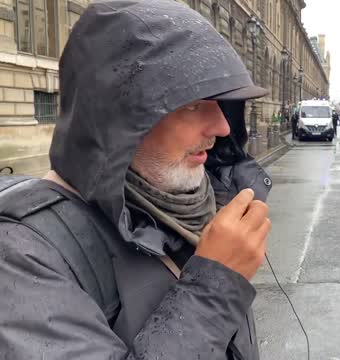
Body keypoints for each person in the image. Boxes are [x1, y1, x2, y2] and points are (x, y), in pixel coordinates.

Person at [0, 1, 272, 359]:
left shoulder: (192, 201)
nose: (222, 127)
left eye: (222, 104)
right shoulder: (21, 252)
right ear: (119, 117)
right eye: (193, 105)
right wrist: (215, 285)